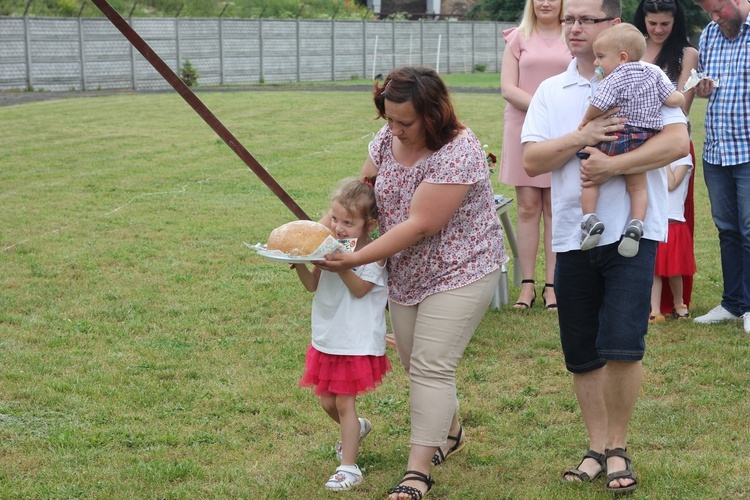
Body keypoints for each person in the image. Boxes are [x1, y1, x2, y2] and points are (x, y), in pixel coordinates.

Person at [316, 66, 507, 500]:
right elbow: (362, 192)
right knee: (413, 361)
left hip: (462, 265)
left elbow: (421, 224)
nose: (396, 130)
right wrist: (323, 232)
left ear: (433, 114)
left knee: (431, 365)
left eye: (406, 122)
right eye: (389, 120)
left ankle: (417, 473)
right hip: (404, 268)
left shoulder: (459, 150)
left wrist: (356, 257)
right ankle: (452, 432)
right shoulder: (388, 140)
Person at [521, 0, 689, 492]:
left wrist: (613, 165)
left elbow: (677, 144)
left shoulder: (643, 76)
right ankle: (595, 446)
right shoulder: (553, 90)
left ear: (613, 26)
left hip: (634, 234)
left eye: (585, 19)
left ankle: (617, 448)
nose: (573, 27)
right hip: (574, 236)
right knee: (581, 350)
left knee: (623, 344)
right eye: (569, 19)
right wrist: (583, 136)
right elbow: (532, 160)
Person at [293, 178, 392, 492]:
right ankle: (357, 429)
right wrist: (299, 262)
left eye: (348, 223)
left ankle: (349, 467)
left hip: (354, 339)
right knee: (327, 402)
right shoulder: (329, 247)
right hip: (328, 335)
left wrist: (342, 265)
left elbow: (361, 290)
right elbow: (313, 286)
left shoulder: (374, 255)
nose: (338, 227)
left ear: (369, 224)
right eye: (335, 219)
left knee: (345, 404)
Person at [577, 23, 684, 258]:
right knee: (637, 186)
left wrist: (585, 121)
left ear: (622, 57)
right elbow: (673, 98)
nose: (596, 63)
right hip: (641, 139)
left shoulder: (614, 77)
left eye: (601, 57)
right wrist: (681, 99)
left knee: (590, 178)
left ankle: (589, 219)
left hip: (614, 136)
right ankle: (636, 224)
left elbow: (599, 104)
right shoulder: (654, 72)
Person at [500, 0, 572, 310]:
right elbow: (507, 87)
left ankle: (553, 286)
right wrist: (543, 109)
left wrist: (555, 114)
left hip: (563, 129)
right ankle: (527, 285)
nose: (545, 2)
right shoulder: (517, 36)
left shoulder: (573, 34)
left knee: (556, 208)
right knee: (528, 207)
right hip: (523, 126)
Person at [633, 0, 699, 315]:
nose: (658, 30)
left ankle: (672, 300)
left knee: (671, 220)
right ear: (642, 20)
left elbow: (682, 108)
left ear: (677, 22)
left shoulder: (687, 54)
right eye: (652, 23)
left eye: (665, 24)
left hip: (672, 146)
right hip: (633, 143)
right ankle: (637, 293)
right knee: (634, 214)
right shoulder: (631, 47)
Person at [691, 0, 750, 333]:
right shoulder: (710, 35)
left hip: (748, 148)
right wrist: (701, 89)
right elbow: (707, 87)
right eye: (707, 13)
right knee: (727, 231)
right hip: (717, 149)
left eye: (718, 10)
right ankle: (732, 303)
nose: (713, 18)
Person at [649, 154, 696, 322]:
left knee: (675, 269)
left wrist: (664, 158)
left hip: (674, 221)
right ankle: (655, 309)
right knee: (655, 270)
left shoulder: (684, 159)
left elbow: (672, 183)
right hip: (655, 221)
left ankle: (679, 303)